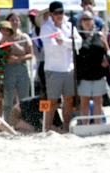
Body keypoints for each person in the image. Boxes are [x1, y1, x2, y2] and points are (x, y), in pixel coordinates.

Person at [41, 1, 82, 132]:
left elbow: (79, 43)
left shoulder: (69, 25)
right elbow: (51, 46)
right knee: (51, 101)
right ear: (51, 14)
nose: (59, 15)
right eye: (56, 13)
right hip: (53, 69)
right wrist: (69, 43)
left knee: (69, 100)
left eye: (61, 12)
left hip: (69, 68)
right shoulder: (46, 27)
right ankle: (46, 129)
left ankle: (66, 128)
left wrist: (63, 41)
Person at [76, 11, 110, 125]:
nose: (87, 22)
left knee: (98, 101)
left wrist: (107, 59)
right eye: (84, 19)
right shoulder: (77, 36)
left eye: (89, 19)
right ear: (81, 22)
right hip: (84, 74)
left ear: (93, 21)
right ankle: (84, 125)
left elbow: (107, 50)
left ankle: (97, 124)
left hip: (98, 73)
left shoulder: (99, 35)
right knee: (84, 102)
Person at [0, 15, 33, 123]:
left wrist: (18, 59)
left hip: (22, 68)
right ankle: (8, 123)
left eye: (16, 19)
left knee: (24, 99)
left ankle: (25, 122)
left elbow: (31, 54)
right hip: (8, 69)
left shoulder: (24, 36)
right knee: (8, 99)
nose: (14, 22)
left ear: (20, 22)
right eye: (12, 20)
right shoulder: (3, 37)